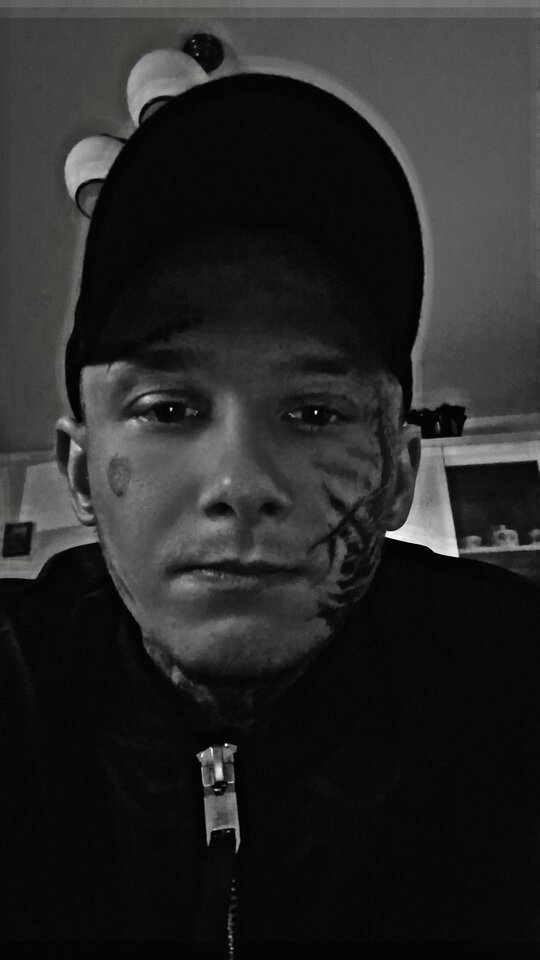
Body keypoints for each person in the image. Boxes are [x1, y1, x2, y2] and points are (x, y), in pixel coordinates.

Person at [1, 70, 539, 949]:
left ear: (398, 475)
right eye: (169, 409)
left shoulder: (512, 696)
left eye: (315, 413)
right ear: (81, 473)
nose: (240, 483)